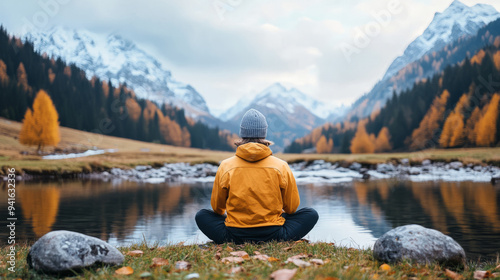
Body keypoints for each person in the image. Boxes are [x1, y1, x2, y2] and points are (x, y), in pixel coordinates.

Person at [195, 108, 318, 244]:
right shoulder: (281, 166)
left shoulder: (225, 166)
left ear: (242, 134)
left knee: (202, 215)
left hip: (234, 235)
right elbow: (292, 207)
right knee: (310, 214)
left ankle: (235, 238)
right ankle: (276, 239)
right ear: (264, 134)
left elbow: (217, 208)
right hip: (275, 234)